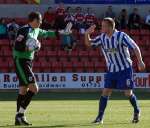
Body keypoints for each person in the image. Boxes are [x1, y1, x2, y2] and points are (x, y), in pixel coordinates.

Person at [84, 17, 145, 124]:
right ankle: (99, 118)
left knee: (128, 93)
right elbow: (89, 44)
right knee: (105, 92)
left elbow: (135, 47)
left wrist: (140, 61)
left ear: (110, 27)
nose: (101, 28)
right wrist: (86, 34)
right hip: (112, 70)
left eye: (103, 26)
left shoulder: (121, 36)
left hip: (124, 69)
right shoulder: (102, 37)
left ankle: (136, 110)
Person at [13, 11, 58, 126]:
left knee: (23, 90)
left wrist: (61, 33)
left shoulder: (37, 30)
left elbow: (47, 33)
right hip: (21, 61)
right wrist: (29, 47)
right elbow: (17, 46)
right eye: (39, 20)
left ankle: (18, 119)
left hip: (28, 61)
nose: (41, 22)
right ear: (33, 20)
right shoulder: (24, 30)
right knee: (34, 88)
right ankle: (20, 115)